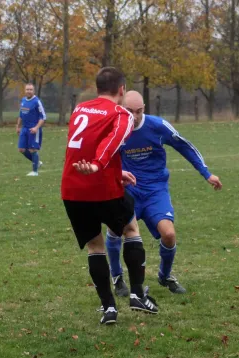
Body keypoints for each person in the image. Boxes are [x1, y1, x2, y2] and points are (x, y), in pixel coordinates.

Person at [61, 68, 158, 325]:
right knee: (131, 228)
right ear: (122, 90)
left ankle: (109, 309)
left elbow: (85, 143)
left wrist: (117, 170)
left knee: (95, 246)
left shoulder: (79, 109)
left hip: (72, 189)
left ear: (97, 88)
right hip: (101, 187)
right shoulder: (121, 114)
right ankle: (137, 294)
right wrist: (97, 165)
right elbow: (111, 142)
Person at [105, 91, 222, 296]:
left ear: (144, 109)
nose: (134, 116)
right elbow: (103, 156)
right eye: (129, 111)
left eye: (139, 111)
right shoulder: (115, 129)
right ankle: (117, 278)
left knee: (169, 234)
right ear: (122, 109)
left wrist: (206, 173)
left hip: (155, 191)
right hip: (127, 189)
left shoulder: (158, 126)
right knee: (116, 230)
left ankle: (165, 276)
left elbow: (185, 146)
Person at [16, 83, 46, 176]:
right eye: (27, 89)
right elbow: (21, 115)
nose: (29, 91)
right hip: (24, 128)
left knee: (32, 150)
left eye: (31, 90)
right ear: (25, 90)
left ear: (34, 91)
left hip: (33, 128)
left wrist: (36, 128)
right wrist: (18, 126)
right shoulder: (23, 100)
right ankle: (37, 162)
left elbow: (43, 117)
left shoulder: (37, 101)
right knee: (21, 149)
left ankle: (35, 171)